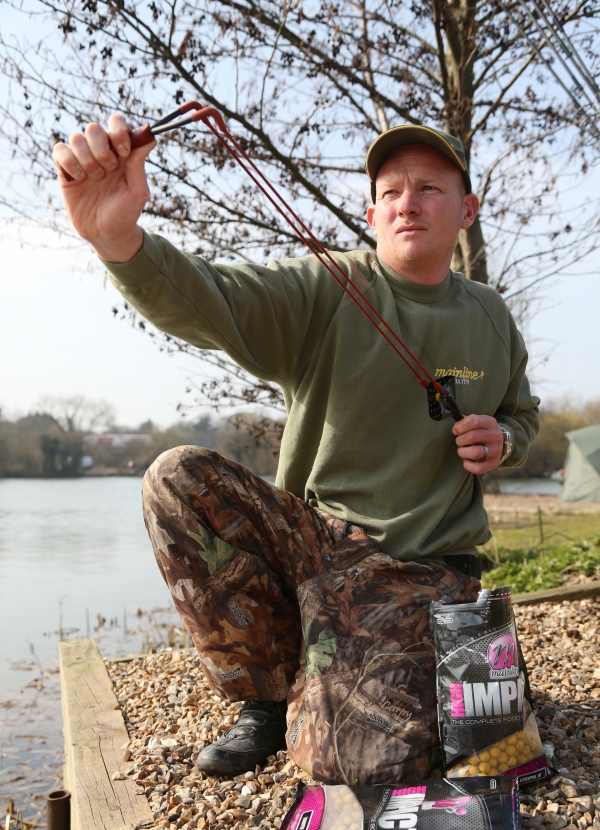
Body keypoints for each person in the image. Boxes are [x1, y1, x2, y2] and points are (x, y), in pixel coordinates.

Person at [53, 118, 540, 783]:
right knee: (177, 477)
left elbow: (522, 413)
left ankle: (403, 668)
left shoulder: (491, 316)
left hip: (418, 566)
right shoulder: (325, 287)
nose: (408, 201)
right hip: (312, 540)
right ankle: (265, 694)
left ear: (467, 209)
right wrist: (118, 240)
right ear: (372, 213)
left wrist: (503, 437)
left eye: (430, 187)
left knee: (350, 764)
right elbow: (212, 298)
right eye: (392, 190)